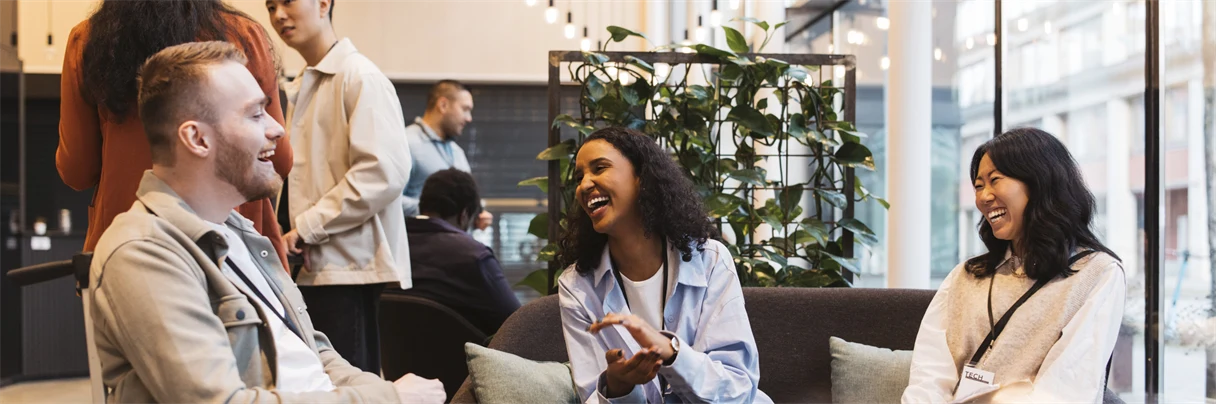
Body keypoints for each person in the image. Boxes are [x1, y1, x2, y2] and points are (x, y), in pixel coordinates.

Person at [88, 41, 444, 403]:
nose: (277, 129)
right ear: (197, 138)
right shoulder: (143, 252)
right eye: (256, 114)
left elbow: (312, 352)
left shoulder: (240, 234)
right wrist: (389, 399)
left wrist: (386, 393)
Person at [56, 0, 292, 269]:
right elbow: (279, 161)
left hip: (126, 243)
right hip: (231, 249)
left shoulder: (89, 40)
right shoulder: (242, 34)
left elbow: (76, 170)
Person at [902, 128, 1125, 403]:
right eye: (979, 185)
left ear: (1040, 182)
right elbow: (928, 377)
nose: (983, 197)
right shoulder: (965, 276)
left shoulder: (1098, 274)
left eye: (995, 180)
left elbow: (1065, 390)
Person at [556, 127, 772, 403]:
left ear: (641, 178)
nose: (585, 185)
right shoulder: (577, 286)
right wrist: (618, 387)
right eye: (579, 177)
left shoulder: (710, 259)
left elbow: (738, 388)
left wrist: (672, 352)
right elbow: (591, 395)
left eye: (600, 168)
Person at [266, 0, 412, 373]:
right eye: (270, 6)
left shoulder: (359, 75)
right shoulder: (305, 82)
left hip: (347, 267)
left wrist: (308, 226)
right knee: (319, 383)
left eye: (287, 2)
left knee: (349, 383)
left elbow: (383, 172)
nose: (278, 14)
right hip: (312, 265)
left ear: (323, 4)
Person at [397, 168, 520, 335]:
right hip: (455, 351)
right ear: (464, 215)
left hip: (388, 351)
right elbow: (515, 323)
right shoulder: (474, 256)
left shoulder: (390, 247)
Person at [400, 80, 492, 230]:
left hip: (457, 243)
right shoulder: (406, 144)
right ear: (443, 105)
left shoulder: (457, 153)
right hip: (420, 243)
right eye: (465, 109)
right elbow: (390, 201)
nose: (469, 118)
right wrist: (436, 211)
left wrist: (475, 217)